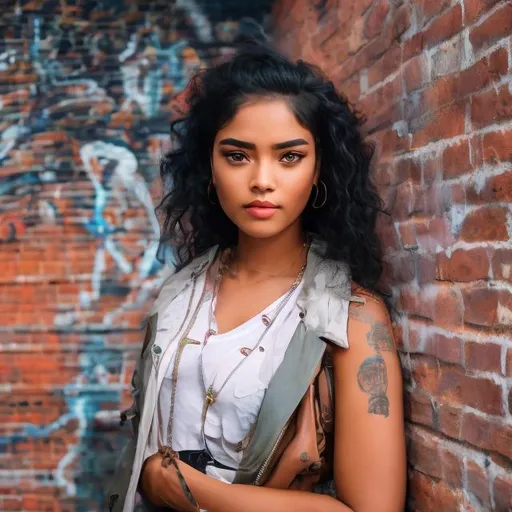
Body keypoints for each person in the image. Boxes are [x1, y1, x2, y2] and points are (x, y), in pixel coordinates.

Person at [105, 43, 406, 512]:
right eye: (238, 156)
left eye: (289, 157)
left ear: (318, 169)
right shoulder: (180, 294)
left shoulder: (350, 317)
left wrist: (190, 490)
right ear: (210, 167)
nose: (262, 180)